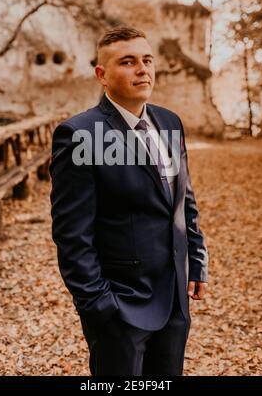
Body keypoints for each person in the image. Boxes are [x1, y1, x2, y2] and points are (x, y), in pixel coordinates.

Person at [50, 26, 208, 376]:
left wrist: (196, 262)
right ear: (101, 75)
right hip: (120, 309)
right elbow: (71, 234)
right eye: (128, 61)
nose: (143, 69)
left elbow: (185, 201)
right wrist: (99, 306)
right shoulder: (79, 135)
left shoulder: (170, 122)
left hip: (175, 301)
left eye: (147, 60)